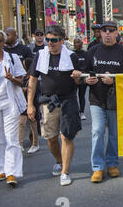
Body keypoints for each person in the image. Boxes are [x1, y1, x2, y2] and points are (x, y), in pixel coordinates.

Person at [27, 25, 83, 186]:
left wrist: (78, 77)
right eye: (48, 40)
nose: (50, 43)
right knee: (51, 138)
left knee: (66, 135)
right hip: (48, 102)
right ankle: (59, 160)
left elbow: (78, 81)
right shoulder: (40, 55)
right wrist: (30, 104)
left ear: (62, 41)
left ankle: (65, 171)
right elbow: (32, 80)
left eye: (54, 40)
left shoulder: (71, 56)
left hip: (68, 100)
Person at [83, 20, 123, 183]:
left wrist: (114, 81)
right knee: (97, 131)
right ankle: (98, 167)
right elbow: (84, 73)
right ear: (100, 33)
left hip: (116, 99)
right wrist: (87, 80)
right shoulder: (92, 51)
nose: (107, 33)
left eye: (111, 30)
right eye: (104, 30)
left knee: (114, 134)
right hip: (96, 98)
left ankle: (112, 163)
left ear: (116, 33)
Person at [0, 30, 26, 187]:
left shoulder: (13, 58)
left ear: (4, 43)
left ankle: (12, 172)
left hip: (9, 103)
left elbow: (22, 81)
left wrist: (12, 79)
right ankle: (0, 170)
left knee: (11, 138)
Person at [19, 57, 40, 154]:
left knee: (33, 124)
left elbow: (37, 91)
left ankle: (35, 143)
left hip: (32, 103)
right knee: (21, 123)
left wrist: (27, 90)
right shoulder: (21, 77)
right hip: (22, 103)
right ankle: (20, 144)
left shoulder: (34, 78)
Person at [73, 38, 88, 120]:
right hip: (74, 78)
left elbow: (87, 65)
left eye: (78, 42)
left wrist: (83, 75)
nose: (76, 44)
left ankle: (82, 112)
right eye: (75, 42)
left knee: (81, 95)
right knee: (73, 95)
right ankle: (75, 111)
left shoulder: (85, 54)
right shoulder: (72, 54)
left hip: (83, 77)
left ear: (82, 43)